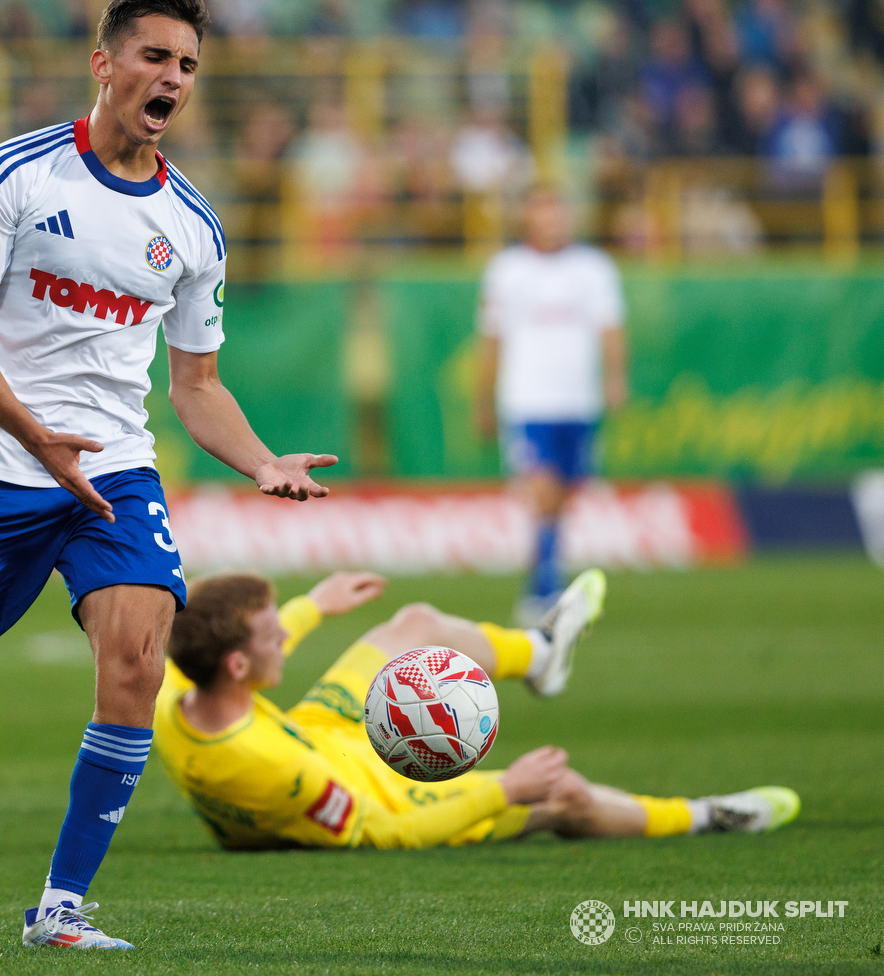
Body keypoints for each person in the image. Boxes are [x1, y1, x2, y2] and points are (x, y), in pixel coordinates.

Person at [0, 0, 337, 950]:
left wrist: (258, 463)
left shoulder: (196, 228)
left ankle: (61, 908)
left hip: (115, 474)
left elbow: (197, 385)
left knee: (136, 663)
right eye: (156, 57)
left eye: (188, 67)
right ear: (105, 65)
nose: (173, 78)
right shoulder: (14, 174)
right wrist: (37, 436)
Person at [156, 568, 799, 851]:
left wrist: (312, 605)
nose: (286, 644)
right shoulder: (272, 770)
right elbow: (389, 833)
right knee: (563, 794)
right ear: (238, 667)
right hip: (382, 792)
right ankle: (705, 817)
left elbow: (216, 646)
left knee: (415, 623)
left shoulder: (174, 695)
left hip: (318, 735)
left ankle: (541, 653)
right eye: (274, 638)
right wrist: (507, 791)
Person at [474, 184, 627, 626]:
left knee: (561, 497)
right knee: (542, 490)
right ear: (528, 218)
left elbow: (611, 328)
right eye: (544, 212)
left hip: (579, 401)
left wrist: (616, 379)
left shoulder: (594, 268)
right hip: (527, 401)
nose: (553, 221)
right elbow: (492, 339)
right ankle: (543, 592)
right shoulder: (506, 270)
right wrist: (483, 400)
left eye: (559, 211)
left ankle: (543, 577)